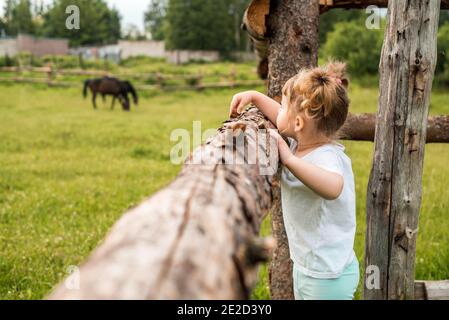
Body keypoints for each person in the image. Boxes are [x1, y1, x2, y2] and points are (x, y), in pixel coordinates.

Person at [229, 61, 359, 300]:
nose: (278, 110)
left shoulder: (326, 157)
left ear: (298, 124)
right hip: (313, 267)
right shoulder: (302, 143)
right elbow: (283, 118)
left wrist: (288, 159)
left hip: (326, 275)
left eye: (283, 106)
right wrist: (256, 97)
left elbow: (334, 187)